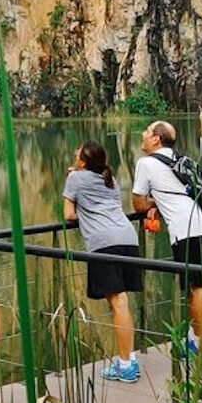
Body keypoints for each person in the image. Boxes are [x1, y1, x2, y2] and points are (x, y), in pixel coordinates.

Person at [131, 120, 202, 360]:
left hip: (188, 230)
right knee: (201, 285)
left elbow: (138, 204)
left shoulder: (146, 163)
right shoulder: (184, 160)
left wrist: (154, 203)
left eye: (147, 131)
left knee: (197, 287)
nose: (143, 134)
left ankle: (200, 347)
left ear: (156, 139)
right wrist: (161, 201)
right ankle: (197, 339)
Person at [62, 140, 143, 383]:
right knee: (122, 302)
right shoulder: (111, 179)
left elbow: (68, 214)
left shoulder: (75, 179)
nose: (75, 153)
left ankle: (126, 366)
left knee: (118, 302)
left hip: (104, 242)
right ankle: (128, 360)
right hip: (128, 237)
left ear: (83, 161)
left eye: (77, 152)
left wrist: (86, 212)